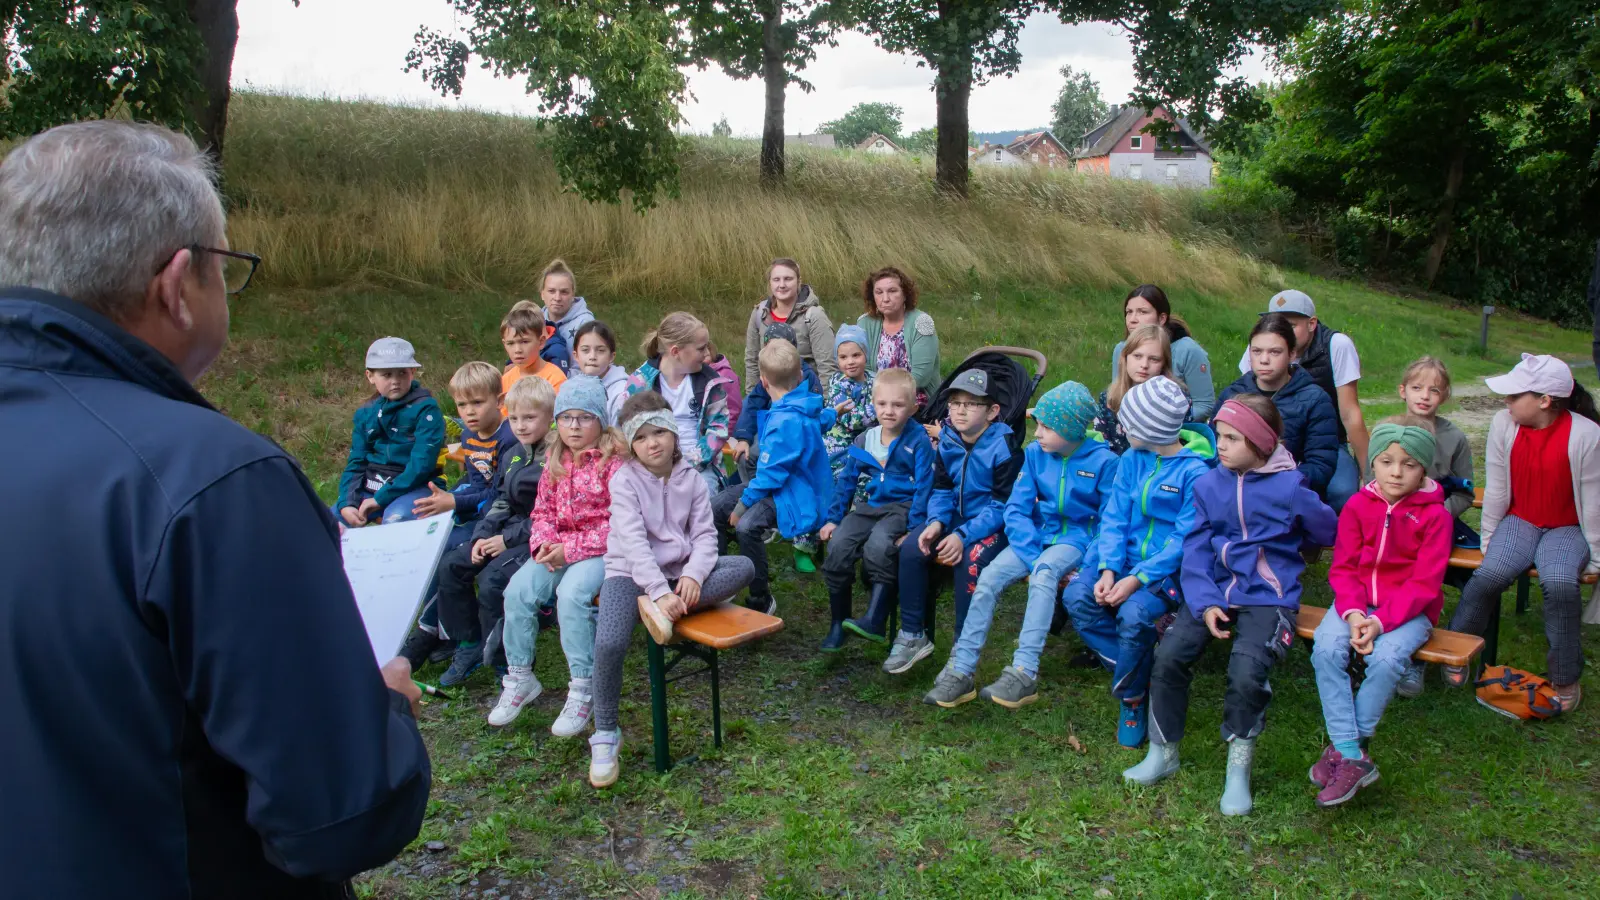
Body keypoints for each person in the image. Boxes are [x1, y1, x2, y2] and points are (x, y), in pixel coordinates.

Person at [0, 119, 428, 897]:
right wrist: (386, 712)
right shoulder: (213, 480)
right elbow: (341, 815)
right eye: (224, 267)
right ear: (176, 285)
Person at [1127, 396, 1337, 816]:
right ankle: (1163, 751)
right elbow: (1197, 549)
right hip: (1212, 591)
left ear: (1260, 444)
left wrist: (1291, 550)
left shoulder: (1291, 487)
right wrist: (1203, 603)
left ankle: (1237, 770)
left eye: (1231, 438)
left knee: (1246, 672)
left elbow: (1328, 530)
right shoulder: (1209, 484)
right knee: (1168, 656)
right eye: (1219, 436)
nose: (1219, 445)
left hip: (1267, 595)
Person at [590, 393, 757, 787]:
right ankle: (605, 733)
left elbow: (704, 535)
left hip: (680, 574)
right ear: (631, 444)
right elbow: (631, 542)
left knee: (744, 566)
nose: (654, 443)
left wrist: (695, 577)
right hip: (631, 574)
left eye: (660, 432)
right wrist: (654, 587)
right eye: (643, 436)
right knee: (610, 642)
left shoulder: (692, 479)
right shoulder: (625, 480)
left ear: (674, 434)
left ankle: (666, 607)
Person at [917, 381, 1117, 702]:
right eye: (1037, 424)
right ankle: (961, 669)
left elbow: (1109, 522)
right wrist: (1031, 553)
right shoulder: (1036, 455)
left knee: (1044, 575)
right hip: (1036, 538)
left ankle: (1025, 671)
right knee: (988, 579)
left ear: (1072, 429)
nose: (1037, 434)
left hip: (1075, 541)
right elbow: (1016, 510)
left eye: (1047, 427)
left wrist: (1086, 563)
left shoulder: (1104, 462)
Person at [1061, 375, 1216, 748]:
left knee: (1134, 615)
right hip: (1120, 560)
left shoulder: (1195, 473)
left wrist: (1136, 579)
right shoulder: (1131, 459)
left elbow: (1182, 541)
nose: (1120, 428)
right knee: (1076, 597)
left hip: (1164, 574)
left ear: (1152, 428)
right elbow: (1114, 517)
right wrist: (1109, 569)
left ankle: (1131, 699)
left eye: (1127, 422)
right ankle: (1135, 672)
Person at [1445, 355, 1600, 711]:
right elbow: (1497, 488)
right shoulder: (1504, 424)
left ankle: (1564, 677)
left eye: (1515, 396)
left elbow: (1593, 502)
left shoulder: (1586, 434)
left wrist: (1595, 556)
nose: (1506, 402)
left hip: (1568, 527)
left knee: (1560, 582)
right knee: (1488, 576)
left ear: (1545, 401)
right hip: (1520, 520)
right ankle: (1454, 650)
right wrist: (1489, 539)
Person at [1310, 418, 1451, 808]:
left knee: (1388, 659)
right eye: (1387, 461)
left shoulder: (1435, 516)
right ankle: (1351, 753)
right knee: (1325, 648)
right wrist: (1355, 615)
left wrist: (1380, 622)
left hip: (1409, 611)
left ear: (1424, 468)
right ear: (1373, 463)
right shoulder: (1357, 505)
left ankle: (1346, 751)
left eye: (1409, 464)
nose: (1396, 472)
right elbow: (1343, 568)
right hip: (1355, 604)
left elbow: (1424, 584)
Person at [490, 378, 625, 729]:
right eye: (566, 418)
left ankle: (584, 685)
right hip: (558, 547)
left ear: (601, 420)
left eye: (584, 418)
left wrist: (572, 549)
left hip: (601, 551)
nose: (574, 427)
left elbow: (623, 522)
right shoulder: (554, 459)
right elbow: (542, 512)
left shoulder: (614, 463)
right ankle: (520, 676)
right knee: (518, 591)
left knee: (572, 595)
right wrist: (545, 544)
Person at [411, 375, 553, 671]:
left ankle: (509, 668)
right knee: (452, 565)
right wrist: (482, 534)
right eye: (514, 418)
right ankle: (468, 642)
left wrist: (505, 539)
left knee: (491, 580)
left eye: (529, 417)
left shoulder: (556, 458)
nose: (521, 425)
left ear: (550, 416)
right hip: (508, 529)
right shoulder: (515, 453)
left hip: (537, 536)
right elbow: (501, 499)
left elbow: (551, 516)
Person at [892, 369, 1017, 669]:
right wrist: (935, 522)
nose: (960, 410)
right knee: (911, 548)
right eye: (955, 402)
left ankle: (963, 646)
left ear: (992, 411)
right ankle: (912, 633)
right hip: (954, 517)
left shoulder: (1005, 447)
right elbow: (942, 489)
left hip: (994, 524)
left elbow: (1001, 506)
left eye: (972, 404)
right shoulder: (947, 440)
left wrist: (962, 536)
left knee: (967, 560)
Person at [712, 340, 833, 616]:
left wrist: (742, 507)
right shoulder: (804, 402)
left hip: (791, 492)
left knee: (746, 527)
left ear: (764, 383)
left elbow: (769, 476)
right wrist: (835, 414)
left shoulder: (784, 422)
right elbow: (819, 418)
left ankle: (760, 598)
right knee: (715, 507)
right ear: (801, 377)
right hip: (778, 485)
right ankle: (720, 581)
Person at [819, 369, 935, 652]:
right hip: (869, 507)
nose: (889, 411)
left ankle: (875, 618)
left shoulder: (917, 440)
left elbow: (924, 485)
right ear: (873, 403)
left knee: (879, 546)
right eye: (882, 404)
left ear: (912, 408)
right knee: (838, 547)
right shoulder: (865, 439)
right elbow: (846, 481)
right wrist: (834, 518)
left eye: (898, 405)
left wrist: (913, 526)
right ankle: (838, 622)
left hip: (901, 508)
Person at [1238, 290, 1368, 510]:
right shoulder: (1260, 350)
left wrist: (1369, 473)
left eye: (1291, 325)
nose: (1282, 331)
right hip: (1267, 444)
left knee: (1343, 491)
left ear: (1312, 323)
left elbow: (1349, 413)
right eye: (1276, 323)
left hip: (1324, 440)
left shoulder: (1337, 345)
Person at [1218, 313, 1339, 499]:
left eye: (1274, 352)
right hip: (1233, 492)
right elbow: (1213, 450)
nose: (1264, 359)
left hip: (1288, 497)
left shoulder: (1315, 400)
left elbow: (1320, 466)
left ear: (1292, 354)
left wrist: (1274, 484)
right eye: (1257, 351)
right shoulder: (1231, 395)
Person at [336, 336, 447, 526]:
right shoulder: (365, 413)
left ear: (413, 372)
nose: (396, 381)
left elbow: (421, 465)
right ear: (370, 376)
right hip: (372, 485)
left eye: (402, 373)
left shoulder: (427, 410)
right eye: (387, 375)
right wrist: (347, 502)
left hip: (418, 486)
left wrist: (381, 498)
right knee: (328, 524)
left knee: (397, 520)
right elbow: (356, 462)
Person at [627, 311, 731, 493]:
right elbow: (626, 429)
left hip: (699, 466)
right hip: (651, 464)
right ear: (676, 351)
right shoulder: (640, 383)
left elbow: (718, 429)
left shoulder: (711, 382)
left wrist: (690, 463)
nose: (707, 353)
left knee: (702, 494)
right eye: (701, 348)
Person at [412, 361, 518, 525]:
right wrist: (447, 500)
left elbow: (500, 493)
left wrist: (455, 502)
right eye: (461, 404)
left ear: (499, 401)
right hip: (485, 497)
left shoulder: (510, 438)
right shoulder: (468, 435)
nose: (469, 412)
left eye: (477, 402)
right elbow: (478, 484)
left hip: (507, 507)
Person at [725, 322, 825, 467]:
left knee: (759, 457)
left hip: (793, 433)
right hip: (770, 423)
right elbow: (753, 403)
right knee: (744, 456)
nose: (775, 353)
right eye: (770, 347)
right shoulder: (769, 373)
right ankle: (747, 485)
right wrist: (743, 438)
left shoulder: (805, 375)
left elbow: (815, 411)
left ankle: (755, 487)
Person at [1112, 284, 1215, 420]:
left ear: (1161, 318)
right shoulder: (1121, 349)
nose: (1133, 319)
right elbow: (1117, 394)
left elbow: (1204, 404)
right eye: (1129, 312)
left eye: (1142, 312)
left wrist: (1163, 423)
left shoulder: (1188, 351)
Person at [743, 257, 836, 388]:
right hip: (769, 399)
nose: (782, 285)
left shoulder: (814, 316)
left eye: (788, 279)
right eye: (776, 279)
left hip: (806, 398)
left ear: (798, 281)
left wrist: (826, 405)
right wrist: (752, 399)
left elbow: (827, 366)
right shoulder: (759, 314)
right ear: (770, 282)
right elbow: (752, 361)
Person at [1094, 324, 1186, 455]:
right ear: (1125, 357)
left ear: (1164, 363)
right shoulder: (1109, 398)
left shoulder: (1175, 401)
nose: (1144, 365)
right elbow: (1101, 447)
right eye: (1137, 356)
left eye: (1154, 359)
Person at [857, 266, 940, 408]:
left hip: (915, 400)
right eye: (879, 292)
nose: (885, 299)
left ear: (905, 295)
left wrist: (889, 398)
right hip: (874, 397)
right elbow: (865, 368)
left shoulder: (921, 322)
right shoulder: (865, 323)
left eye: (892, 291)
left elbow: (921, 377)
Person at [824, 324, 878, 472]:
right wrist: (878, 409)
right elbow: (851, 420)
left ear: (866, 354)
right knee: (845, 481)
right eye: (843, 357)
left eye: (856, 355)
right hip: (839, 449)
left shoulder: (873, 381)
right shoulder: (839, 386)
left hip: (864, 444)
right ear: (837, 359)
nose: (850, 362)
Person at [501, 300, 568, 396]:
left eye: (524, 342)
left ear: (541, 342)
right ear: (504, 344)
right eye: (510, 343)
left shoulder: (555, 379)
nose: (517, 350)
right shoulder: (505, 380)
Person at [540, 258, 595, 371]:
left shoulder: (585, 323)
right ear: (542, 294)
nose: (557, 298)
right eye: (551, 291)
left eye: (564, 292)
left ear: (573, 294)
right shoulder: (535, 320)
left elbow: (588, 368)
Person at [572, 320, 630, 425]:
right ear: (576, 355)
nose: (592, 356)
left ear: (611, 357)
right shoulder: (571, 388)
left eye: (600, 350)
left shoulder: (621, 393)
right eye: (585, 350)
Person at [705, 337, 744, 427]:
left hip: (723, 430)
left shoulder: (725, 375)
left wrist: (725, 436)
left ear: (711, 352)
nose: (701, 357)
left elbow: (734, 410)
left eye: (705, 355)